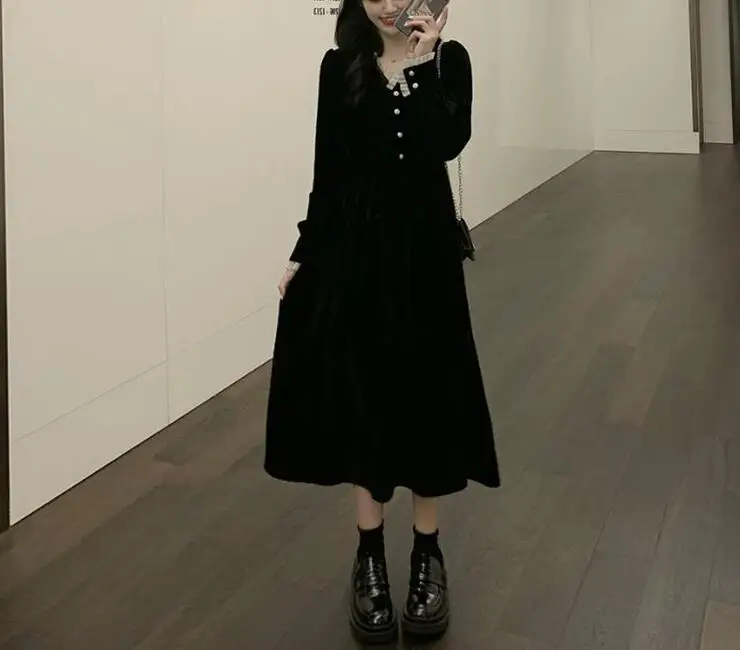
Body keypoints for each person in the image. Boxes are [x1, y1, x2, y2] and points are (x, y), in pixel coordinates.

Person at [264, 0, 500, 643]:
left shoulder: (450, 62)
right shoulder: (338, 66)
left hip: (425, 258)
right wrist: (305, 250)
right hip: (357, 256)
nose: (389, 3)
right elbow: (330, 172)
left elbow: (445, 143)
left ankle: (428, 553)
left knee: (427, 398)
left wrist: (421, 64)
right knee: (363, 399)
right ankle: (369, 556)